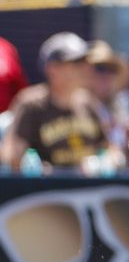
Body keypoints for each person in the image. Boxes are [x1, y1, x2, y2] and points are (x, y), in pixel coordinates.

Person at [0, 32, 109, 173]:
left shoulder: (89, 102)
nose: (86, 68)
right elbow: (13, 158)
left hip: (88, 191)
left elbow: (112, 148)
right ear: (52, 68)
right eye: (77, 62)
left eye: (86, 62)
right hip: (47, 192)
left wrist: (106, 162)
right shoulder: (32, 104)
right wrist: (33, 168)